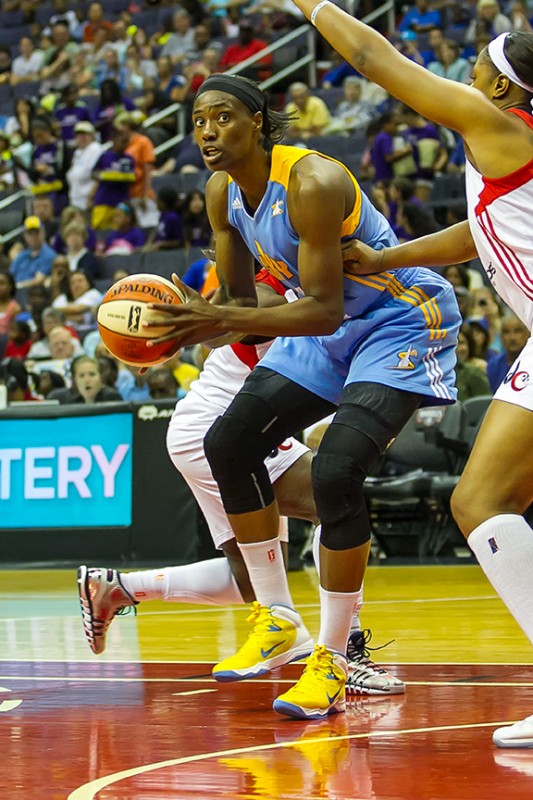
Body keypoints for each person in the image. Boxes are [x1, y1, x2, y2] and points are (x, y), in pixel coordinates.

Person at [139, 74, 460, 719]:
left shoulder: (311, 182)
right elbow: (242, 304)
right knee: (228, 442)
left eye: (223, 117)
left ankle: (335, 660)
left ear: (257, 121)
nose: (207, 131)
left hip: (397, 318)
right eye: (198, 119)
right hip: (324, 324)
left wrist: (220, 321)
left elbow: (320, 308)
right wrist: (188, 320)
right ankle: (275, 616)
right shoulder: (222, 192)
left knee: (338, 472)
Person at [290, 3, 533, 744]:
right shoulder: (505, 156)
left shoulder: (500, 128)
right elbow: (481, 231)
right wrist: (388, 258)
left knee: (480, 499)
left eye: (478, 70)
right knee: (492, 501)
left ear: (501, 88)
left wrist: (311, 5)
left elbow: (374, 62)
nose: (466, 77)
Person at [78, 267, 406, 696]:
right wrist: (178, 329)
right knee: (329, 502)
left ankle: (116, 588)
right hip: (216, 428)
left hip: (213, 428)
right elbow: (231, 328)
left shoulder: (315, 287)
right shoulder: (282, 292)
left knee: (255, 575)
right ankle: (348, 651)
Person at [49, 355, 122, 404]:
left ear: (100, 377)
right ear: (75, 380)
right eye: (81, 376)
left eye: (92, 374)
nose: (87, 380)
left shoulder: (112, 397)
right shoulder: (60, 398)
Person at [486, 311, 529, 392]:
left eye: (518, 331)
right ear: (501, 336)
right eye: (506, 332)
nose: (512, 337)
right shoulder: (494, 365)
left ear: (528, 333)